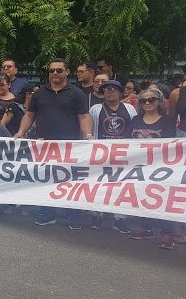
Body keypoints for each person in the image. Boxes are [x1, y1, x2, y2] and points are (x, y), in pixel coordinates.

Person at [14, 59, 93, 229]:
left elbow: (84, 116)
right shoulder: (39, 93)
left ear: (67, 72)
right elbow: (29, 115)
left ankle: (74, 216)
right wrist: (20, 132)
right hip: (45, 146)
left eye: (58, 70)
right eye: (51, 71)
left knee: (71, 182)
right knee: (46, 180)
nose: (54, 74)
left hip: (69, 146)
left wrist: (87, 134)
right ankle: (48, 214)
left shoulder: (77, 93)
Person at [128, 88, 179, 249]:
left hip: (161, 167)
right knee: (143, 195)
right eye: (143, 100)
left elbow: (170, 145)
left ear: (160, 101)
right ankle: (146, 227)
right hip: (140, 166)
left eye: (152, 100)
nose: (148, 103)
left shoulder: (168, 120)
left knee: (163, 197)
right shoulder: (135, 119)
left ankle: (167, 232)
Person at [87, 80, 136, 232]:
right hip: (101, 154)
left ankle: (120, 218)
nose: (110, 92)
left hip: (124, 154)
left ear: (120, 92)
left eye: (114, 89)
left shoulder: (129, 108)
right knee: (99, 185)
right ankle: (98, 214)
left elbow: (135, 128)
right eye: (107, 89)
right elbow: (89, 127)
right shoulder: (96, 109)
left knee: (121, 186)